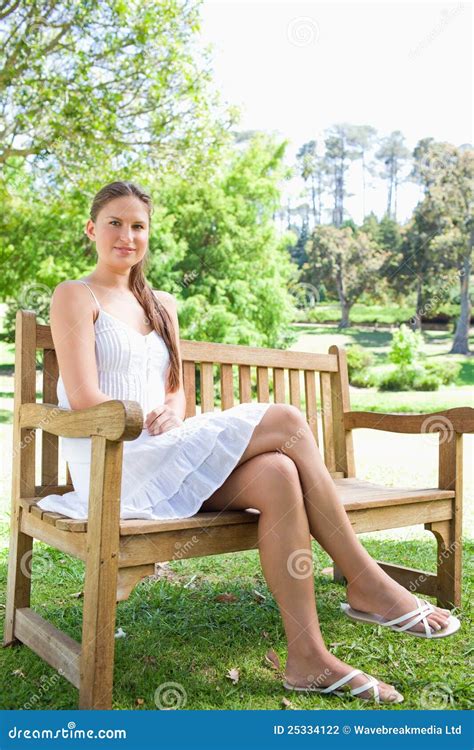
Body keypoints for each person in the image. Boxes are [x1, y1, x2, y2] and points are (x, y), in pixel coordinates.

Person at [38, 180, 459, 705]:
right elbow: (81, 396)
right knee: (284, 419)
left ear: (149, 233)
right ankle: (365, 578)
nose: (127, 235)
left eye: (138, 225)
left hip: (162, 450)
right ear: (92, 230)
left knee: (281, 474)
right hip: (115, 458)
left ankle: (307, 658)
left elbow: (177, 395)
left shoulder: (162, 304)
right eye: (115, 224)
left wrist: (172, 410)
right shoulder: (75, 295)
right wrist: (139, 416)